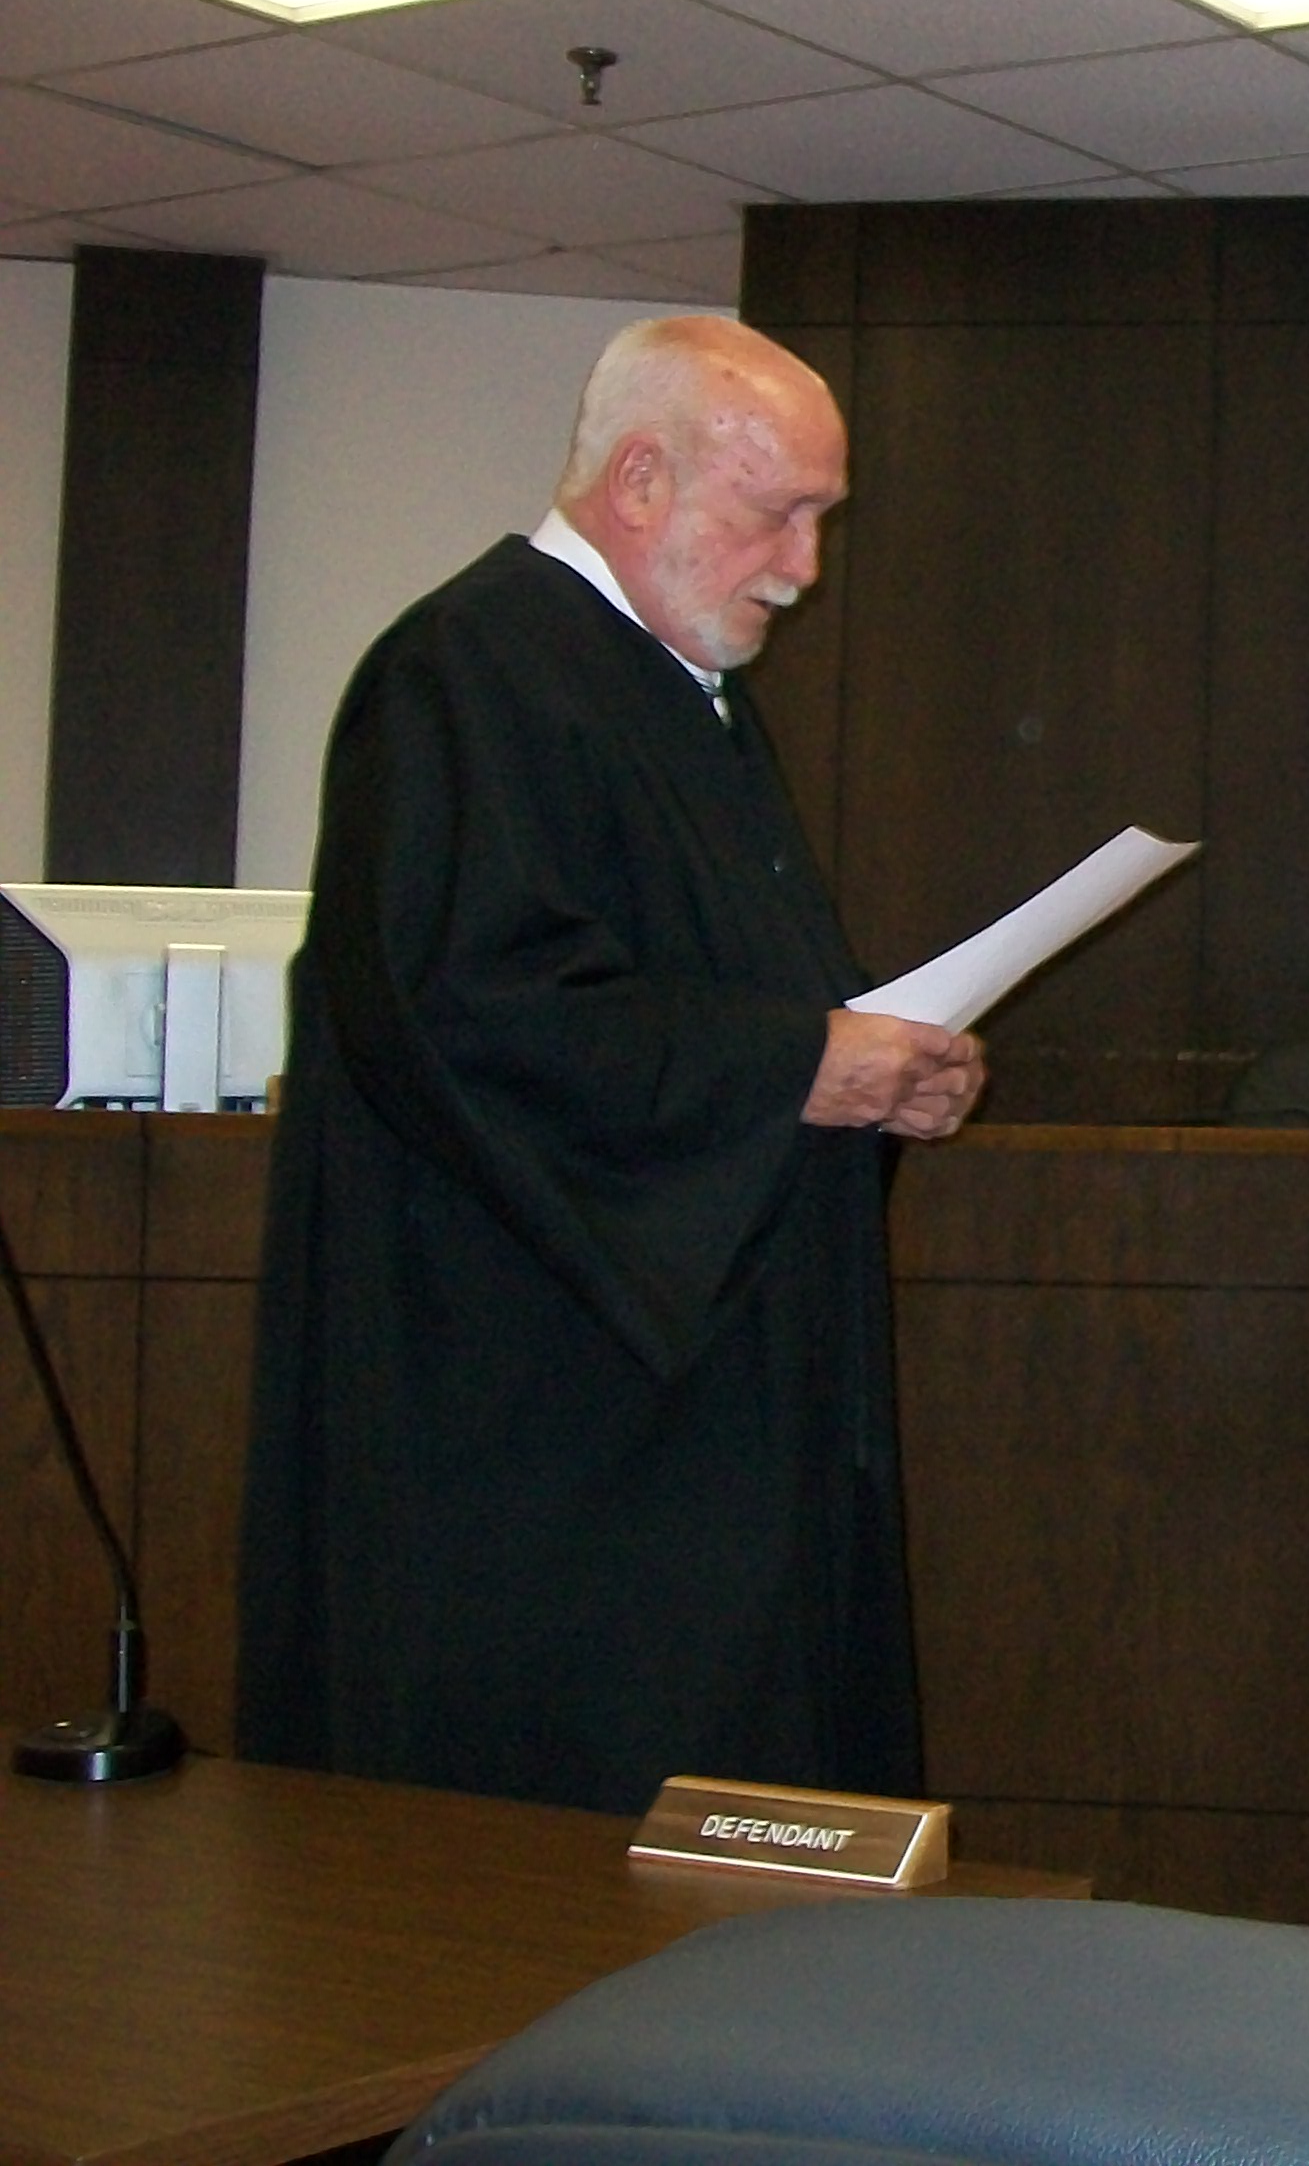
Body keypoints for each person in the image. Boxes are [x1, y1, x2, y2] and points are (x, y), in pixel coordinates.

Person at [238, 315, 985, 1815]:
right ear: (639, 477)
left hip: (696, 1412)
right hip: (540, 1443)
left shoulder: (677, 692)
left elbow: (730, 1003)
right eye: (780, 512)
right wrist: (798, 1063)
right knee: (551, 1877)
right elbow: (469, 1010)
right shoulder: (469, 672)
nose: (804, 567)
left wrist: (877, 1073)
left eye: (820, 520)